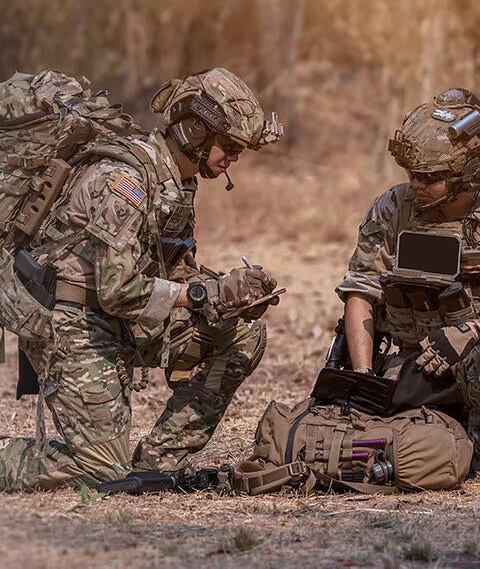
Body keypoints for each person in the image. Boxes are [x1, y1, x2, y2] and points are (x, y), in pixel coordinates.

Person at [0, 68, 283, 491]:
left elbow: (174, 273)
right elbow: (120, 291)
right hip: (72, 320)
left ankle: (156, 463)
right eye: (229, 146)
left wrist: (229, 296)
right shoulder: (125, 180)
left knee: (243, 334)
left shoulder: (178, 185)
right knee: (99, 471)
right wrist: (205, 292)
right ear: (194, 131)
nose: (233, 159)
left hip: (117, 317)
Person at [335, 88, 480, 480]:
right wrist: (363, 379)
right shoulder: (393, 208)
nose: (416, 184)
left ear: (465, 175)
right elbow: (360, 291)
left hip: (477, 361)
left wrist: (468, 332)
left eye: (429, 177)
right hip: (409, 361)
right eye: (412, 175)